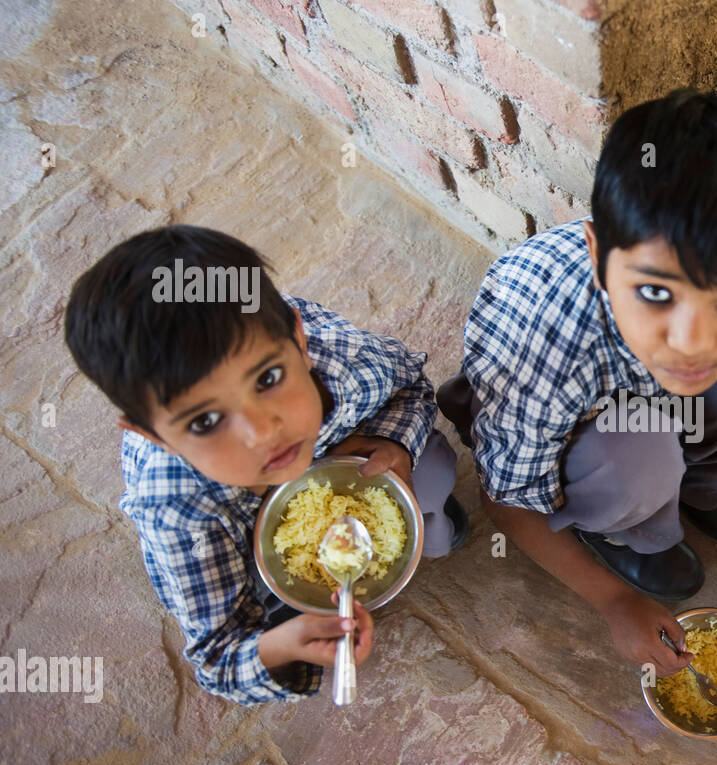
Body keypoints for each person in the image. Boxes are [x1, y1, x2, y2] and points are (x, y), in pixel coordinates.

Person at [437, 89, 717, 676]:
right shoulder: (539, 333)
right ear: (597, 252)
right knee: (639, 457)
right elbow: (505, 497)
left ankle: (701, 488)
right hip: (594, 442)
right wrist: (613, 600)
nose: (692, 343)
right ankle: (636, 531)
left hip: (653, 416)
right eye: (657, 294)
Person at [64, 226, 466, 705]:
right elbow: (217, 659)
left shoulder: (341, 360)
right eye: (207, 420)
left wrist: (393, 444)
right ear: (152, 435)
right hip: (237, 535)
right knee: (270, 606)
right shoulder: (176, 506)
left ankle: (437, 519)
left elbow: (410, 387)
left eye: (268, 378)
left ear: (298, 340)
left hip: (349, 449)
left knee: (435, 475)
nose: (262, 433)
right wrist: (277, 647)